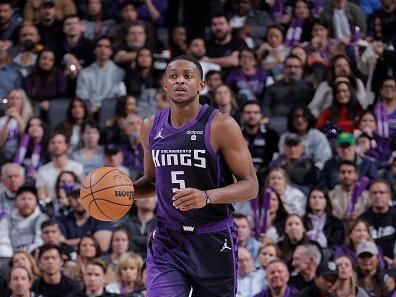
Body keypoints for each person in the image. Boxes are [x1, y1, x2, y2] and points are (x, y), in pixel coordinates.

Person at [133, 55, 258, 296]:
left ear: (201, 85)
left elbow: (251, 185)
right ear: (165, 85)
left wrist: (207, 197)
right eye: (173, 76)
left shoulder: (222, 125)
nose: (180, 81)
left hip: (212, 238)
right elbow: (151, 182)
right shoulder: (150, 126)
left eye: (188, 76)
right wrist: (125, 192)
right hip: (168, 239)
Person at [76, 36, 126, 112]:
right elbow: (82, 96)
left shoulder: (119, 72)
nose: (103, 49)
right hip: (90, 111)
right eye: (100, 46)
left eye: (107, 47)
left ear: (111, 51)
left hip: (111, 110)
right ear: (94, 50)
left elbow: (121, 94)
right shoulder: (84, 73)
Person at [57, 186, 112, 253]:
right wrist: (92, 242)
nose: (79, 201)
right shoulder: (63, 220)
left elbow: (102, 246)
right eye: (75, 197)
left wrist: (66, 242)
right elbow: (57, 243)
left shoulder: (101, 218)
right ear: (69, 200)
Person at [35, 132, 84, 201]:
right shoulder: (42, 171)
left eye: (59, 142)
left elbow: (83, 192)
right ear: (48, 146)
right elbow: (41, 196)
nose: (56, 145)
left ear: (66, 145)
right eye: (53, 142)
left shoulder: (78, 168)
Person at [360, 180, 396, 259]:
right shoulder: (362, 219)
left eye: (382, 192)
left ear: (389, 196)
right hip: (369, 261)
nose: (378, 196)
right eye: (374, 193)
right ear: (369, 196)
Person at [8, 185, 48, 253]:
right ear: (16, 202)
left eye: (30, 199)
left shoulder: (42, 219)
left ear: (36, 202)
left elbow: (40, 241)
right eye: (23, 199)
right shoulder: (7, 220)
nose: (26, 202)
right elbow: (3, 241)